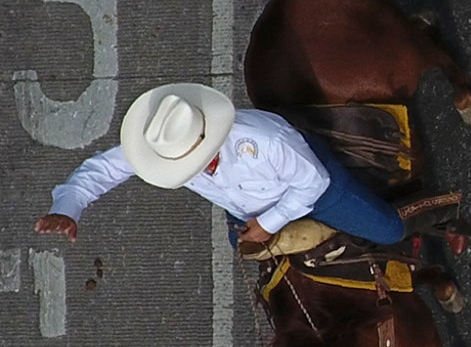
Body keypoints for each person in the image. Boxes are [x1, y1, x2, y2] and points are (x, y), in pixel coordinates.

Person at [34, 83, 405, 247]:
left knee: (388, 231)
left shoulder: (265, 142)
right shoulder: (162, 143)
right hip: (248, 209)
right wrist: (68, 208)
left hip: (312, 189)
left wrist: (268, 224)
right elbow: (101, 170)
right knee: (240, 245)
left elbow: (313, 183)